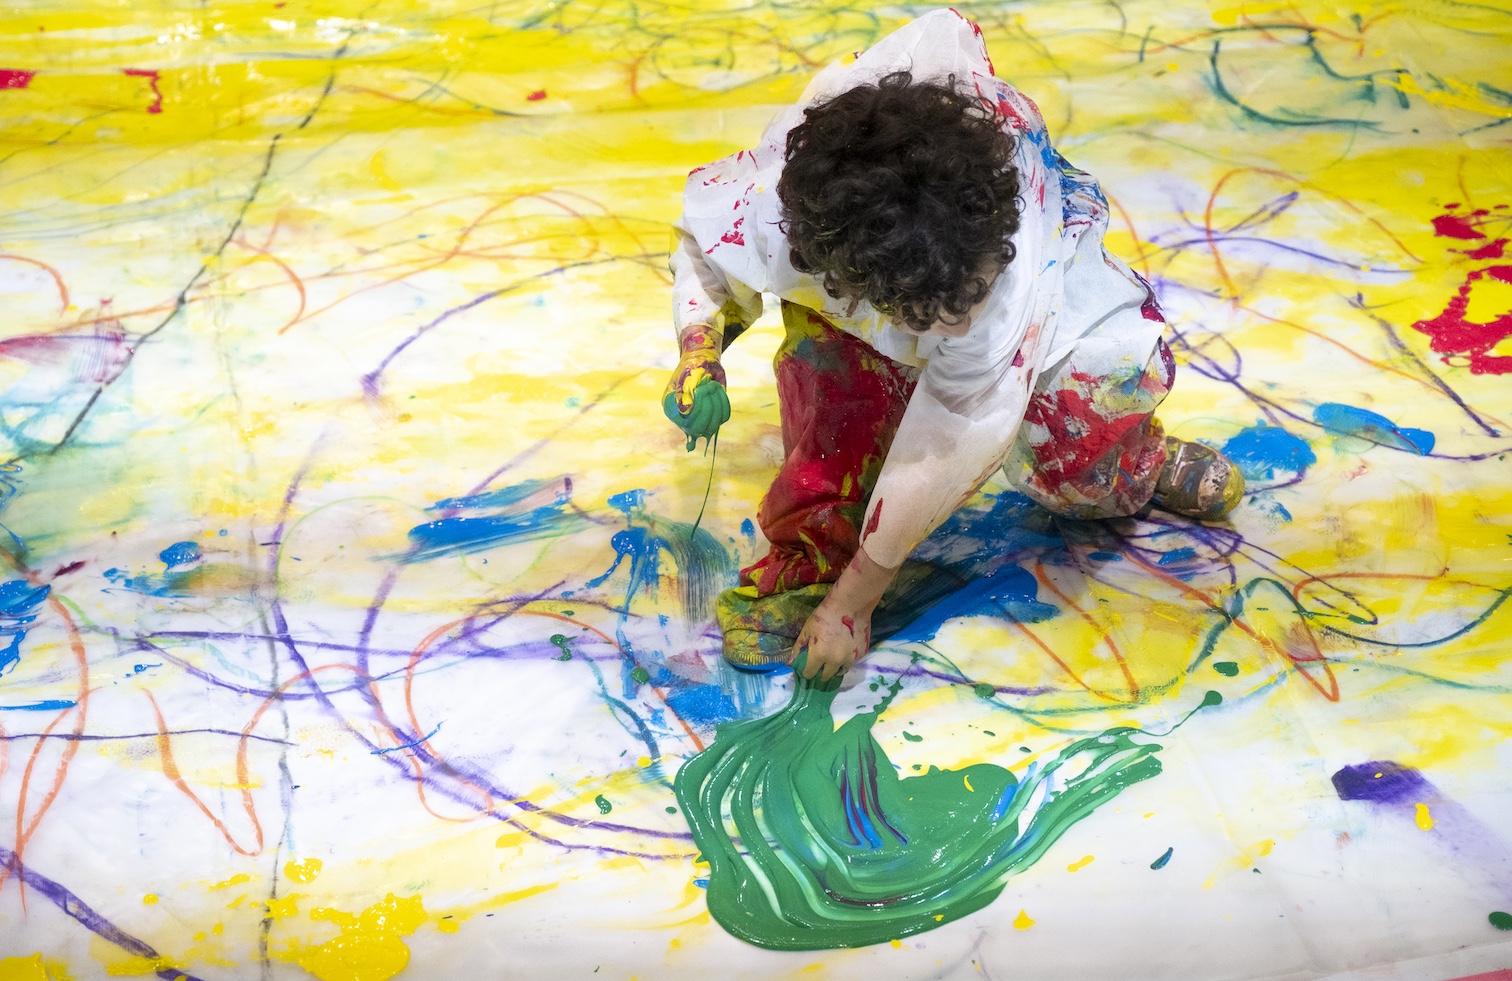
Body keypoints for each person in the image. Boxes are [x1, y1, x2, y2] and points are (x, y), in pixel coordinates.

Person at [663, 9, 1243, 682]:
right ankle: (813, 562)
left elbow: (955, 432)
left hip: (1036, 304)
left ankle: (1129, 460)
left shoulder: (1008, 263)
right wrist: (699, 349)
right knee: (840, 395)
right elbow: (709, 249)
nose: (956, 330)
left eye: (968, 301)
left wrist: (859, 599)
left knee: (1079, 424)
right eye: (934, 317)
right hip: (865, 281)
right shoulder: (777, 209)